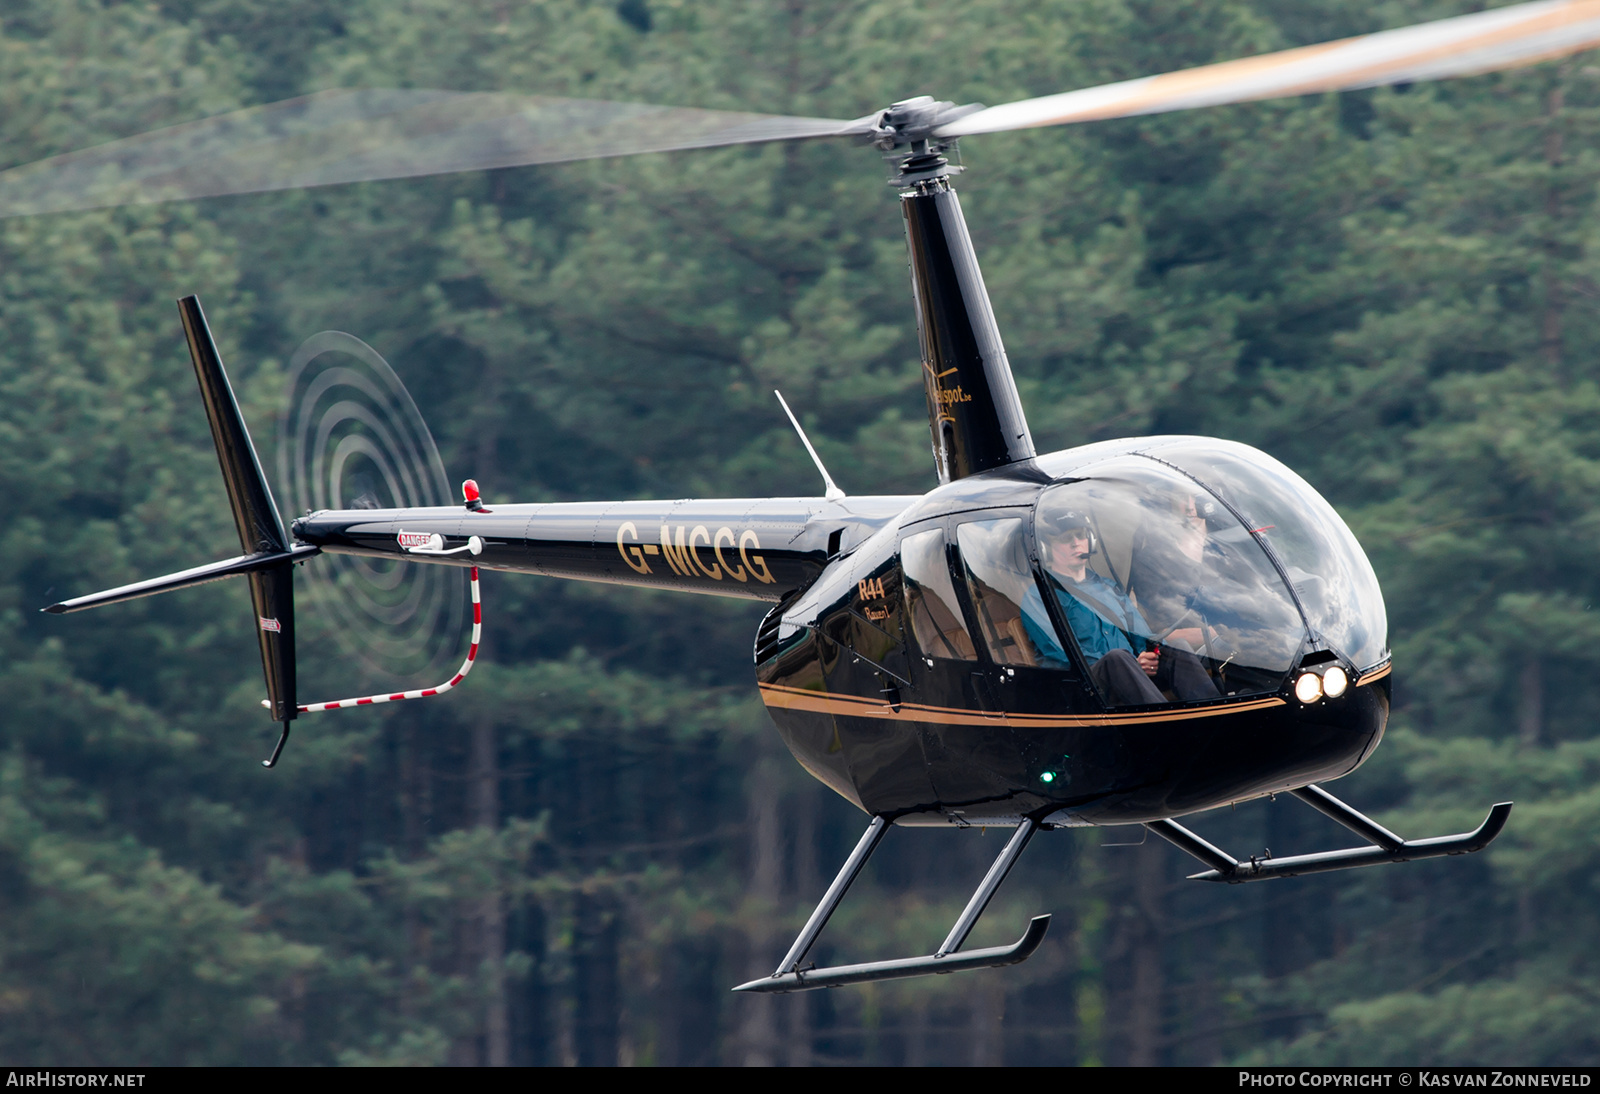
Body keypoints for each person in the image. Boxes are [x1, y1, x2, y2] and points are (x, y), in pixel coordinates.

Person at [1023, 507, 1219, 706]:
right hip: (1085, 684)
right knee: (1117, 659)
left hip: (1129, 670)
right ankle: (1168, 728)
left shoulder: (1108, 587)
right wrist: (1131, 663)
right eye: (1066, 538)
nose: (1076, 543)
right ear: (1047, 547)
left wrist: (1145, 656)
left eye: (1080, 536)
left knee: (1177, 648)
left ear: (1090, 540)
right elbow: (1060, 654)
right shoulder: (1040, 595)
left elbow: (1141, 635)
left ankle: (1215, 714)